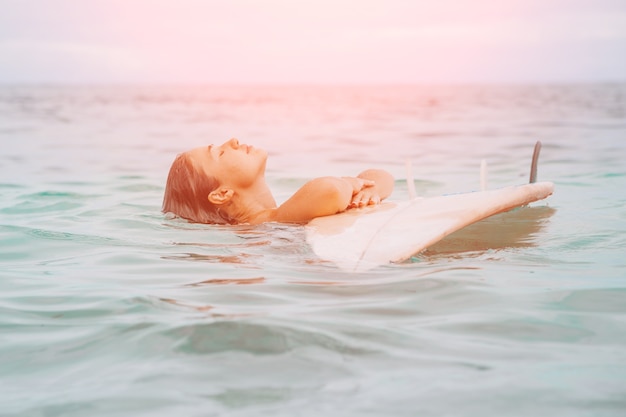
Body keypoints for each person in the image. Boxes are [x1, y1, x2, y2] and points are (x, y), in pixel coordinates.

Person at [162, 138, 394, 225]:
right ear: (222, 194)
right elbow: (330, 190)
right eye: (220, 153)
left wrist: (369, 191)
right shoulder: (266, 223)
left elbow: (380, 176)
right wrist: (350, 184)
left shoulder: (284, 211)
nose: (232, 141)